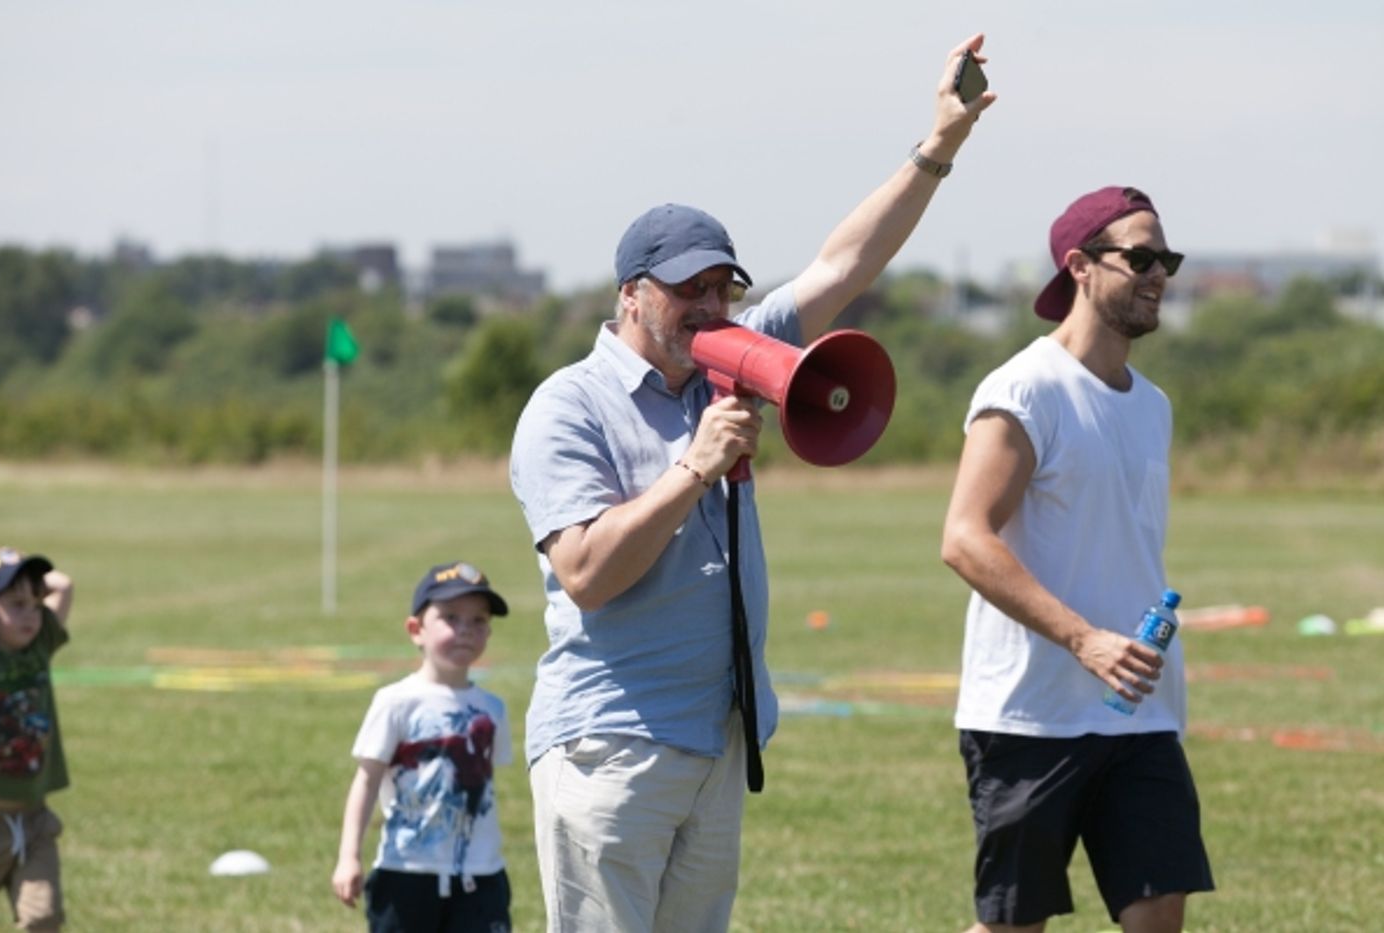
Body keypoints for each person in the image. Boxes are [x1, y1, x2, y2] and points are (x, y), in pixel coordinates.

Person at [508, 34, 995, 933]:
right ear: (630, 294)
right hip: (609, 741)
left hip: (718, 736)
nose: (708, 305)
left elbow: (846, 264)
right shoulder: (566, 407)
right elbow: (585, 572)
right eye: (684, 287)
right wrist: (694, 466)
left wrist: (939, 146)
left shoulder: (731, 356)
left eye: (723, 286)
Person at [940, 186, 1216, 933]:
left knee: (1158, 914)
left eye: (1168, 258)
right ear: (1080, 266)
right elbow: (965, 537)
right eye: (1140, 256)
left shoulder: (1152, 404)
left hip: (1140, 714)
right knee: (1012, 926)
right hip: (1032, 714)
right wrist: (1083, 639)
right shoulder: (1026, 389)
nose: (1159, 273)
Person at [332, 560, 515, 933]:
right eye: (450, 617)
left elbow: (484, 783)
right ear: (416, 629)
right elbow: (366, 781)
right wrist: (349, 855)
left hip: (480, 876)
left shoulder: (492, 709)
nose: (465, 630)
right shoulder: (396, 702)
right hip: (406, 873)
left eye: (478, 620)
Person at [0, 546, 75, 932]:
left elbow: (63, 584)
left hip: (34, 818)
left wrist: (6, 562)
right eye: (16, 603)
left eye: (35, 604)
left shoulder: (40, 646)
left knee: (43, 918)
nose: (31, 614)